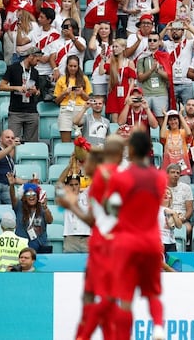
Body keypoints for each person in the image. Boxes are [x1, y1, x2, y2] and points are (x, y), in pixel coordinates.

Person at [57, 135, 124, 340]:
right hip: (82, 240)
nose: (75, 185)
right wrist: (72, 165)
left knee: (93, 285)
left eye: (77, 183)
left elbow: (96, 181)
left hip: (96, 241)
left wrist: (82, 160)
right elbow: (61, 182)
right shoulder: (73, 192)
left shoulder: (96, 189)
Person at [106, 131, 168, 340]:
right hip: (151, 241)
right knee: (152, 292)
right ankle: (158, 327)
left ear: (130, 150)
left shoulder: (120, 177)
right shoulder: (160, 177)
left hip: (128, 242)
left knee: (125, 297)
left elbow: (109, 206)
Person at [54, 55, 93, 143]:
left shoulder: (84, 79)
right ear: (67, 66)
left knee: (81, 142)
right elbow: (56, 101)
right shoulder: (61, 79)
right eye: (70, 66)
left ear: (78, 66)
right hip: (65, 109)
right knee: (65, 142)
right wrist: (64, 93)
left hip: (81, 109)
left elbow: (88, 98)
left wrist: (82, 93)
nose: (72, 68)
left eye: (75, 66)